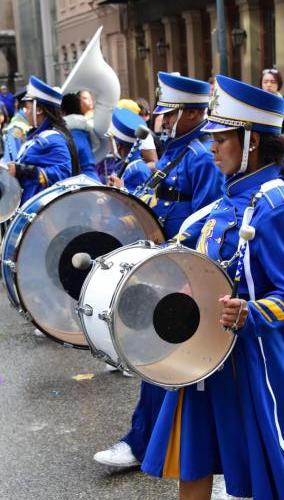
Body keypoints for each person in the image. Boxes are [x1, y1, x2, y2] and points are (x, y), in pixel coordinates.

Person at [140, 74, 284, 500]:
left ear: (252, 142)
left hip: (256, 357)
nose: (212, 147)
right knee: (195, 454)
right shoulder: (226, 200)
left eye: (222, 138)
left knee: (276, 465)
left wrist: (253, 312)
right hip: (205, 352)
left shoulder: (277, 205)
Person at [94, 71, 224, 469]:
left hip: (183, 273)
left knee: (160, 356)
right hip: (164, 267)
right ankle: (153, 441)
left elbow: (209, 218)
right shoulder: (176, 151)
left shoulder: (202, 156)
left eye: (168, 113)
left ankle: (143, 443)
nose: (160, 121)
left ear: (189, 114)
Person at [7, 75, 77, 204]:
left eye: (27, 108)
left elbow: (63, 172)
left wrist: (24, 170)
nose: (25, 112)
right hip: (33, 203)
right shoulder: (38, 135)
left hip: (46, 211)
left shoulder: (54, 139)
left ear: (38, 110)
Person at [106, 107, 151, 192]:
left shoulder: (139, 171)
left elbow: (141, 202)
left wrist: (121, 190)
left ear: (118, 145)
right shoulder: (122, 163)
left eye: (111, 141)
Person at [61, 92, 100, 181]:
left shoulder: (65, 133)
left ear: (63, 110)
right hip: (94, 179)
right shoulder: (87, 129)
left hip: (79, 182)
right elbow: (96, 145)